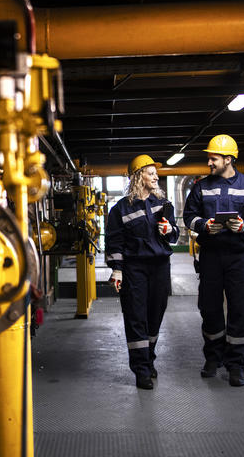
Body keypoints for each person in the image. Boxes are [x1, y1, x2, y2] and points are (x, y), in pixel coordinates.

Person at [182, 134, 244, 387]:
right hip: (211, 256)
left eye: (214, 158)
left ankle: (236, 364)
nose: (209, 162)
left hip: (238, 257)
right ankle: (213, 357)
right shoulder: (201, 187)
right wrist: (204, 225)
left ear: (228, 159)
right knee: (209, 307)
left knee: (240, 308)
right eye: (209, 158)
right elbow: (189, 216)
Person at [106, 155, 179, 390]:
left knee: (155, 315)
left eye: (155, 173)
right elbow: (115, 242)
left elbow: (174, 235)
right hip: (134, 269)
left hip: (159, 266)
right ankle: (141, 370)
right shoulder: (120, 209)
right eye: (150, 173)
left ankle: (149, 359)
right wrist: (117, 270)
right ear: (139, 177)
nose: (156, 177)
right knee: (136, 317)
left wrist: (170, 229)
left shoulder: (164, 204)